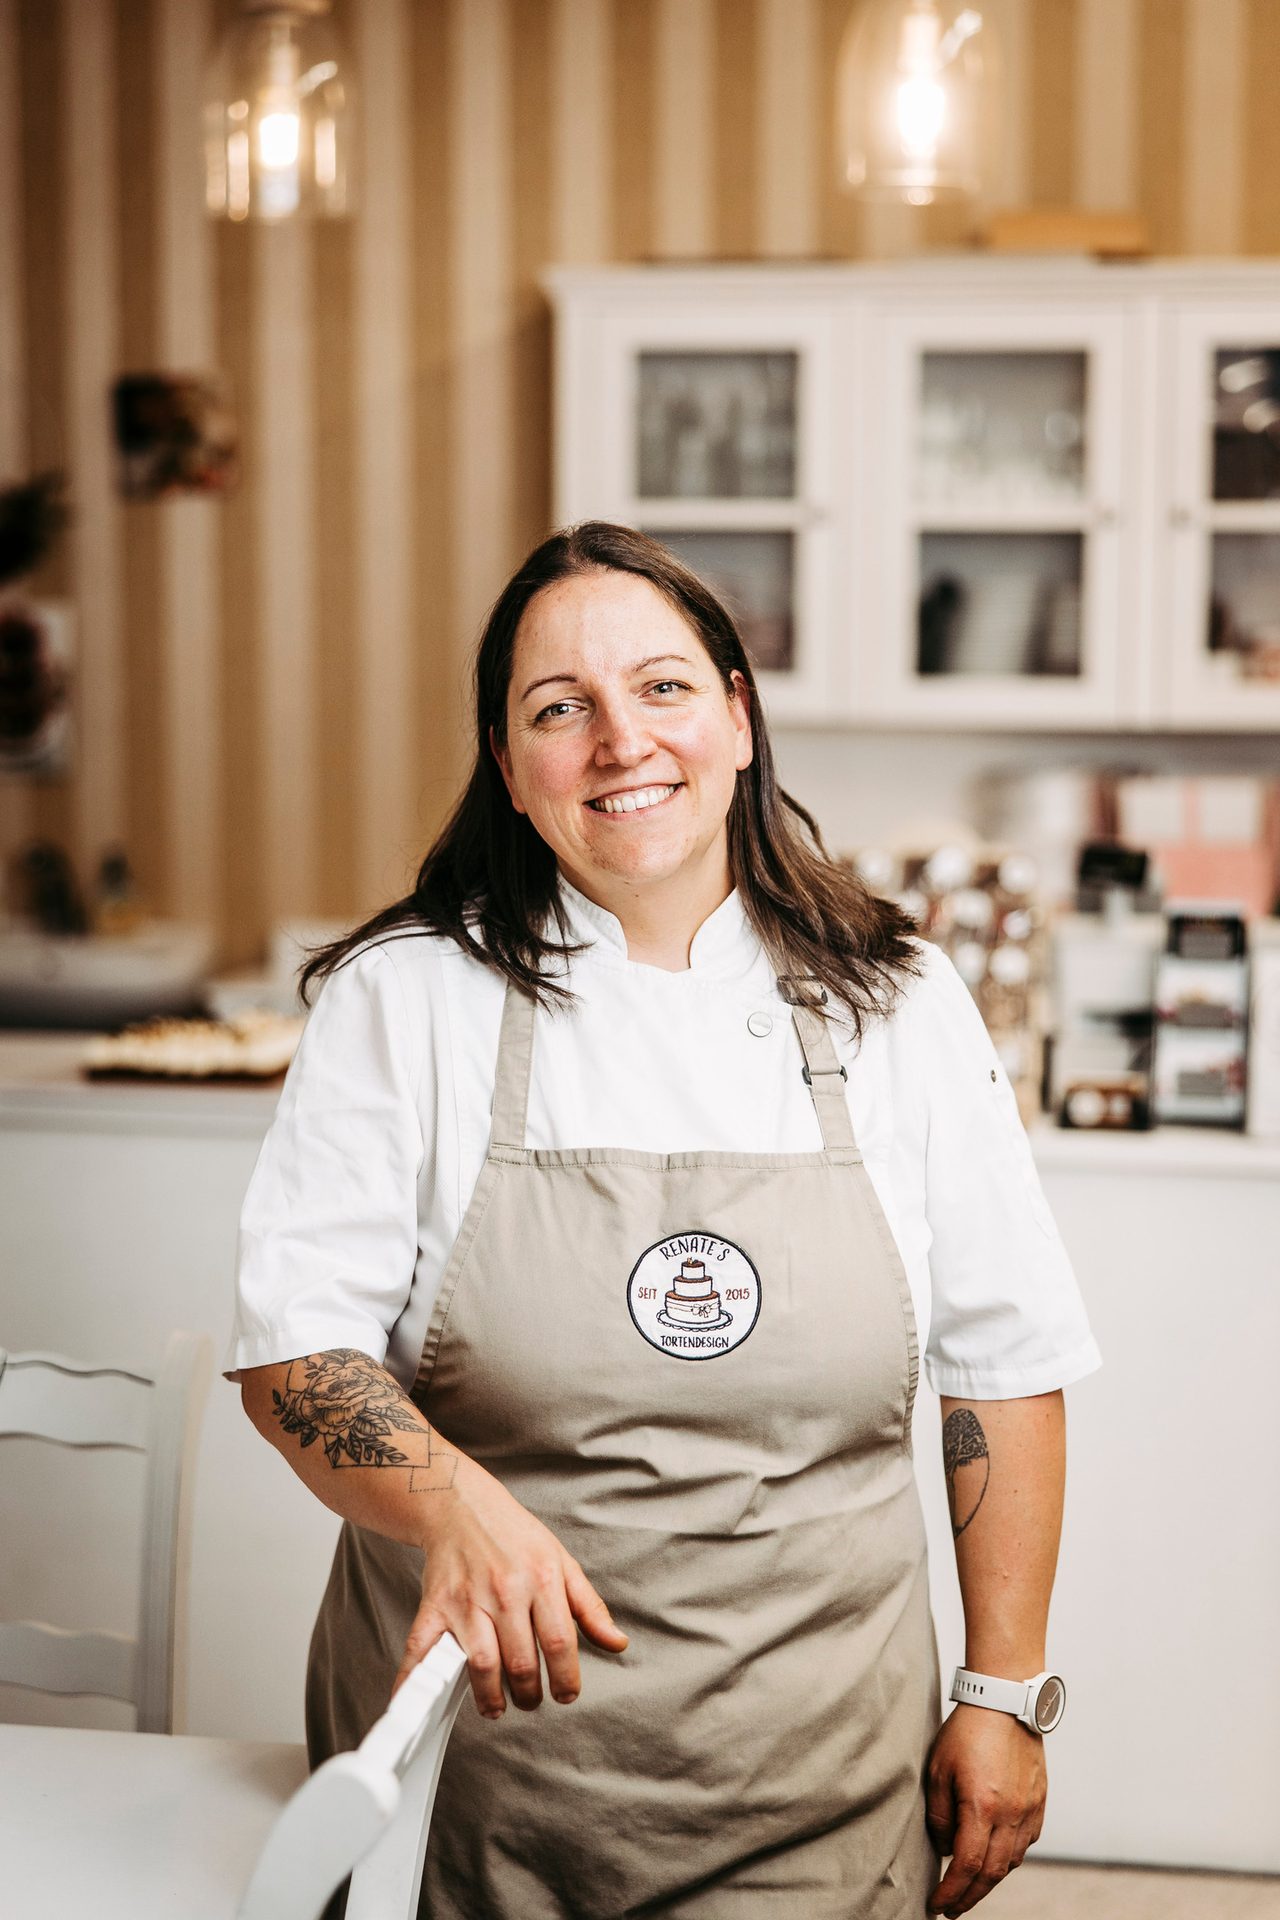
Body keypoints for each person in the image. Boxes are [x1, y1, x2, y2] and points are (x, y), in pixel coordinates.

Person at [226, 522, 1101, 1920]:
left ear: (739, 719)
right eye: (558, 709)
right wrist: (458, 1508)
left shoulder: (900, 1001)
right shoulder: (405, 998)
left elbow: (1003, 1364)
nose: (620, 741)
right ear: (509, 767)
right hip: (470, 1790)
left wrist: (1004, 1690)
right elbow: (294, 1357)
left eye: (665, 688)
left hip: (819, 1788)